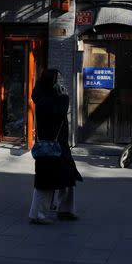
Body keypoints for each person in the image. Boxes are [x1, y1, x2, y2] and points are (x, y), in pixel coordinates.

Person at [28, 69, 82, 225]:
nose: (58, 83)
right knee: (45, 182)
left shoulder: (48, 97)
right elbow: (58, 114)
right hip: (50, 147)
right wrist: (64, 98)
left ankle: (65, 210)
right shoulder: (45, 100)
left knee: (68, 177)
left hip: (60, 146)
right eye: (56, 80)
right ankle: (37, 214)